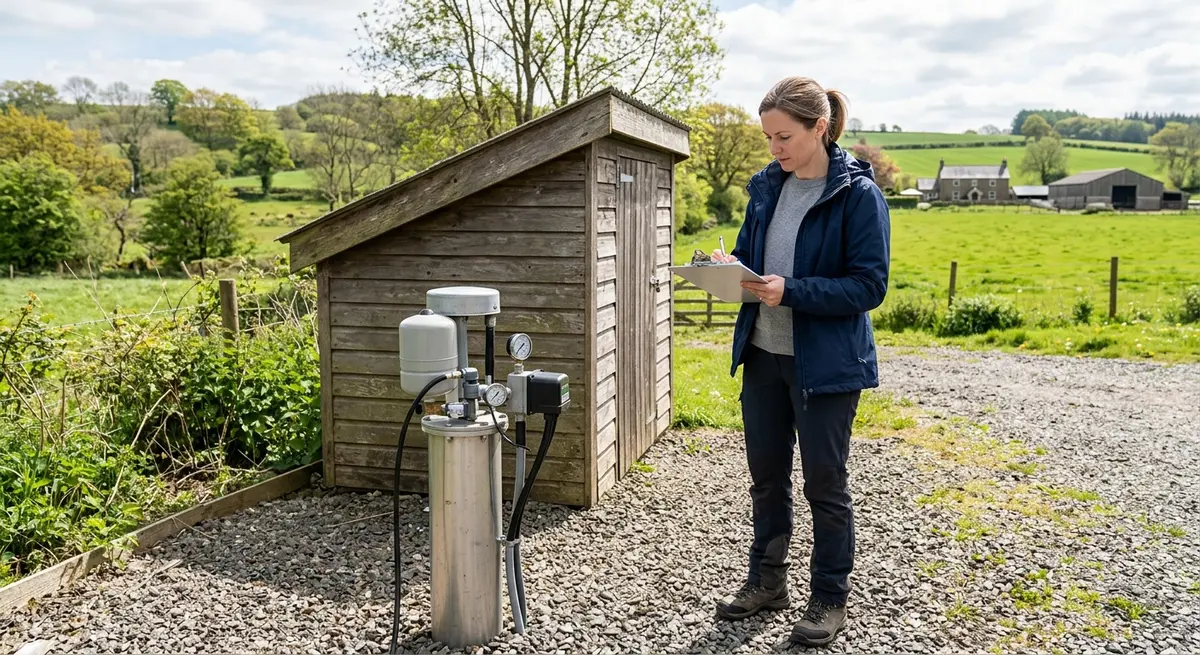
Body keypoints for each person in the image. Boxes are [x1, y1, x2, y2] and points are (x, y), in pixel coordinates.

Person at [709, 76, 891, 647]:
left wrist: (792, 291)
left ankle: (829, 597)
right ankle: (766, 583)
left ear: (820, 128)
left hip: (827, 367)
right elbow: (751, 258)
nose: (774, 149)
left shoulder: (858, 197)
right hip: (763, 354)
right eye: (767, 138)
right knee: (766, 479)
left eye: (783, 136)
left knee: (824, 485)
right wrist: (724, 267)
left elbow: (868, 286)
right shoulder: (767, 187)